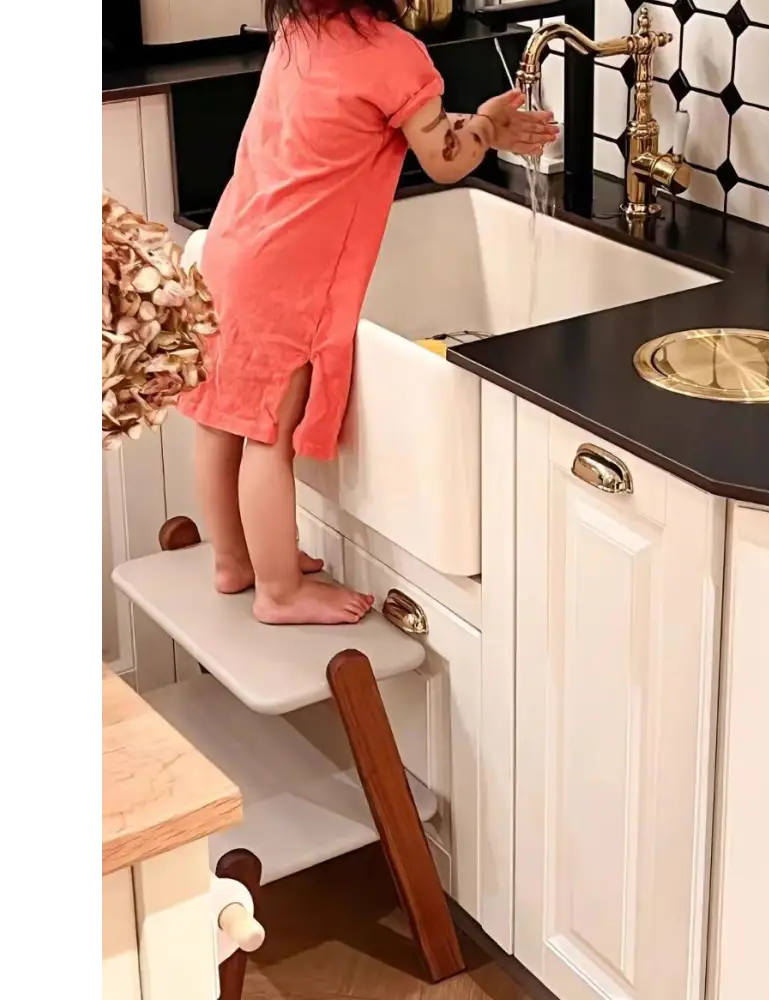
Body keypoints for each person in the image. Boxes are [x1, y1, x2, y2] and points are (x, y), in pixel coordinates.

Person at [176, 0, 558, 626]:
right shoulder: (395, 54)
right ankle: (278, 592)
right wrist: (486, 127)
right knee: (269, 439)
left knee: (221, 421)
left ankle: (234, 563)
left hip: (233, 249)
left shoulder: (298, 30)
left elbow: (371, 119)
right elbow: (443, 158)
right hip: (289, 281)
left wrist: (479, 123)